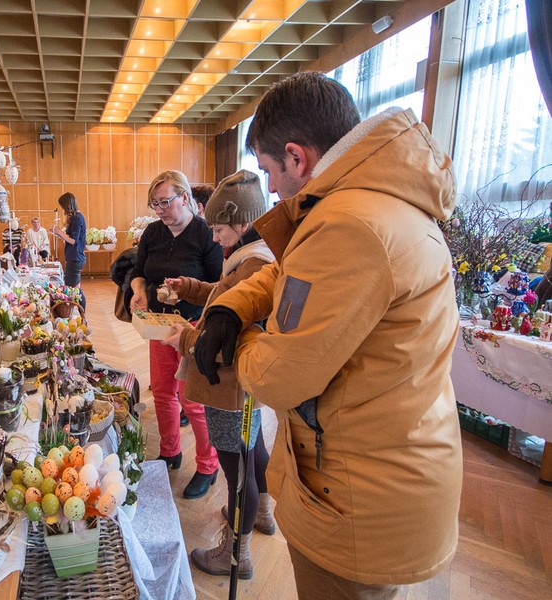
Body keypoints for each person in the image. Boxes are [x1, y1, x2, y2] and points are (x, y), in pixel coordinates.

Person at [193, 72, 461, 597]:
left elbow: (277, 376)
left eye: (270, 170)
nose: (271, 188)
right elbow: (287, 271)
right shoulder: (364, 201)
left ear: (297, 157)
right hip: (377, 469)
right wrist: (230, 306)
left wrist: (236, 339)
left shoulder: (350, 224)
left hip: (360, 495)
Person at [161, 170, 275, 578]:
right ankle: (261, 513)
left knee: (236, 472)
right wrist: (191, 287)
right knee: (252, 453)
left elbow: (228, 338)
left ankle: (235, 555)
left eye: (219, 228)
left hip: (228, 386)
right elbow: (223, 297)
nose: (213, 237)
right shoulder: (250, 256)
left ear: (242, 223)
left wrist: (186, 339)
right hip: (239, 387)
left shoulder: (255, 263)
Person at [129, 170, 223, 499]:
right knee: (163, 392)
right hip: (158, 324)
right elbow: (138, 272)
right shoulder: (153, 233)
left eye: (165, 202)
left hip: (193, 328)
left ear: (184, 198)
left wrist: (189, 291)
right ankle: (170, 451)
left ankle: (208, 465)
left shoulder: (206, 234)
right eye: (154, 204)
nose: (160, 210)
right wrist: (138, 291)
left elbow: (220, 287)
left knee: (192, 401)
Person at [51, 193, 86, 287]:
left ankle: (79, 298)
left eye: (63, 207)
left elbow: (73, 241)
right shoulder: (77, 217)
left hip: (75, 258)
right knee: (75, 288)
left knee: (70, 288)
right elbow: (70, 238)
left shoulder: (77, 218)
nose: (63, 210)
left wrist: (59, 232)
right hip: (75, 257)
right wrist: (58, 233)